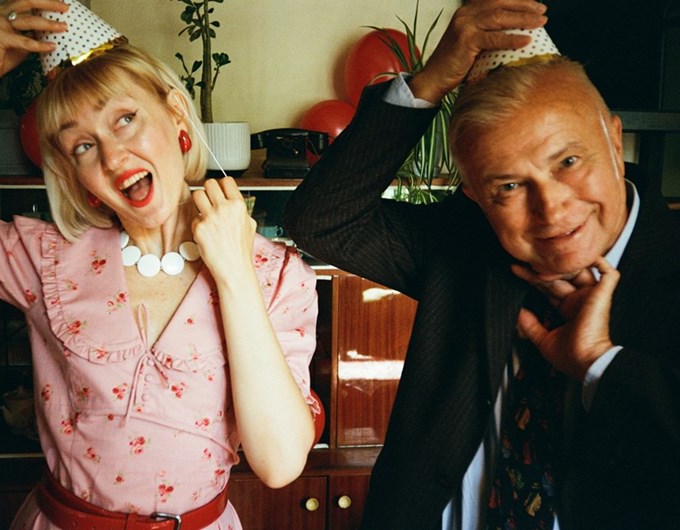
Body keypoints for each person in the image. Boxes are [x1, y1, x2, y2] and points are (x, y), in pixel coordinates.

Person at [0, 1, 319, 528]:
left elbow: (278, 463)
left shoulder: (277, 276)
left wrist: (235, 275)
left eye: (126, 119)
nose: (113, 157)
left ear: (177, 116)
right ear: (76, 176)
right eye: (84, 145)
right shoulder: (42, 257)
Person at [284, 0, 680, 528]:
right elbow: (321, 222)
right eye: (509, 187)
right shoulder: (464, 244)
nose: (552, 209)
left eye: (568, 161)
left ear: (612, 137)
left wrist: (599, 366)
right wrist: (428, 84)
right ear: (473, 195)